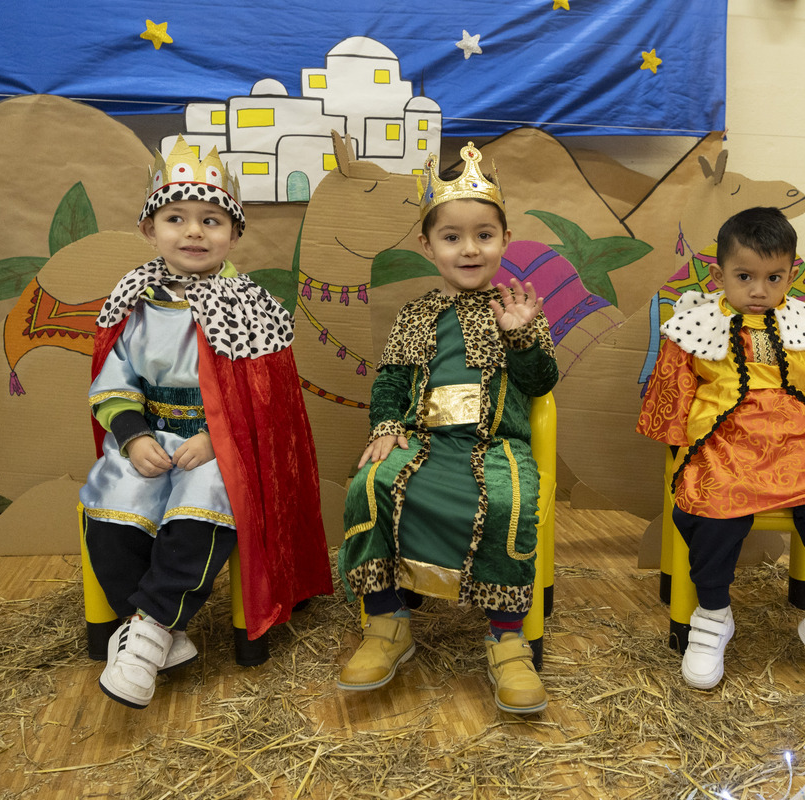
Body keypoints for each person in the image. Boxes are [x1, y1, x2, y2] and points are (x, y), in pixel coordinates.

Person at [81, 136, 331, 709]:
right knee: (109, 499)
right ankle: (163, 630)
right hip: (149, 438)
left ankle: (144, 638)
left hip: (222, 446)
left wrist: (218, 438)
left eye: (212, 220)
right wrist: (133, 434)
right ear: (150, 229)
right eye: (177, 218)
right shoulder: (132, 302)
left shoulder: (254, 308)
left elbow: (269, 405)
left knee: (206, 503)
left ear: (234, 233)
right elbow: (114, 380)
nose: (194, 232)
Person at [337, 143, 558, 714]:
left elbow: (540, 383)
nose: (469, 248)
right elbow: (390, 383)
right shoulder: (415, 315)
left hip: (495, 446)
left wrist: (521, 336)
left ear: (504, 240)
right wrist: (387, 425)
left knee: (508, 500)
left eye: (484, 235)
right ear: (427, 246)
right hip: (425, 443)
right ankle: (388, 623)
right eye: (452, 237)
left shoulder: (520, 308)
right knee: (370, 485)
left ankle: (507, 637)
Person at [637, 206, 805, 699]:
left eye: (774, 277)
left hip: (801, 449)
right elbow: (671, 397)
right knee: (714, 511)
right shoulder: (692, 328)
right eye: (745, 277)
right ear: (721, 275)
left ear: (791, 275)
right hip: (727, 447)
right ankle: (713, 614)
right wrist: (682, 452)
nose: (760, 290)